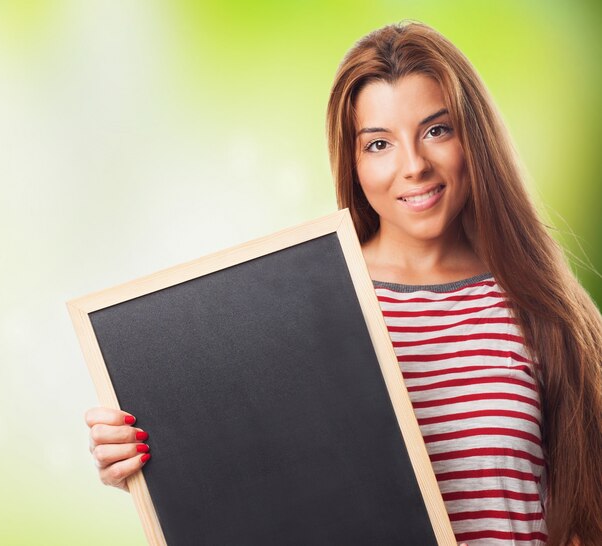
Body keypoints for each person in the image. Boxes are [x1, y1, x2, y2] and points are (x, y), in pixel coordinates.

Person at [85, 21, 602, 546]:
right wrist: (151, 467)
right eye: (379, 143)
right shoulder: (307, 309)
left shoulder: (544, 311)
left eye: (436, 130)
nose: (414, 166)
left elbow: (586, 511)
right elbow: (261, 488)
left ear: (475, 138)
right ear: (352, 163)